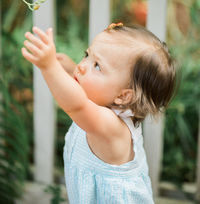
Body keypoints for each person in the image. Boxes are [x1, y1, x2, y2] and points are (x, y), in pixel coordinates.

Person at [22, 23, 178, 204]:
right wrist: (71, 69)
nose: (82, 66)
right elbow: (86, 90)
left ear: (123, 96)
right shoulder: (104, 101)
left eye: (97, 66)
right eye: (87, 55)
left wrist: (50, 68)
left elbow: (76, 104)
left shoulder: (111, 126)